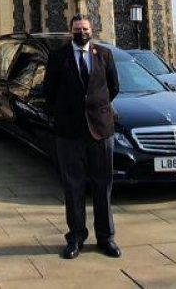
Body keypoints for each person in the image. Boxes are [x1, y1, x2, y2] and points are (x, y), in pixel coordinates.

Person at [42, 14, 121, 259]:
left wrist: (99, 110)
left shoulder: (104, 55)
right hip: (70, 132)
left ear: (92, 30)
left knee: (102, 185)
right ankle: (75, 237)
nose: (82, 32)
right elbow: (49, 91)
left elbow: (113, 87)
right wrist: (65, 114)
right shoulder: (58, 57)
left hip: (100, 130)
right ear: (70, 31)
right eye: (77, 29)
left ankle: (106, 237)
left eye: (85, 28)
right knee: (73, 186)